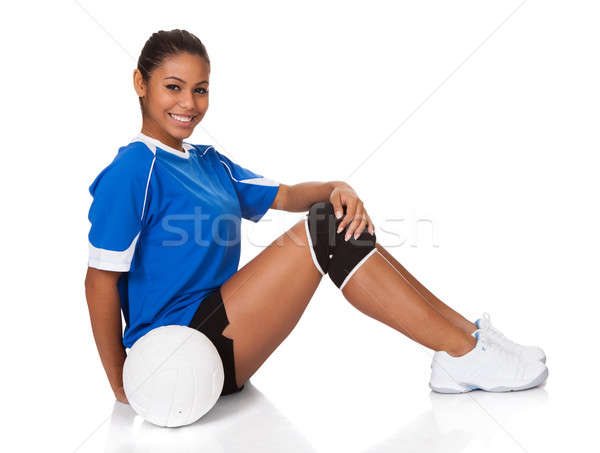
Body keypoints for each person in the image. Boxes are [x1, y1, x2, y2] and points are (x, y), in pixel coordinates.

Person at [85, 29, 548, 404]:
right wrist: (121, 384)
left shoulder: (209, 161)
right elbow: (100, 280)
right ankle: (463, 352)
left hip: (218, 328)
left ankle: (468, 339)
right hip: (176, 354)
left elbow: (285, 195)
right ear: (140, 84)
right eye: (174, 87)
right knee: (325, 230)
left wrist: (335, 187)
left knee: (331, 216)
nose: (188, 103)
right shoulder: (132, 169)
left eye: (200, 90)